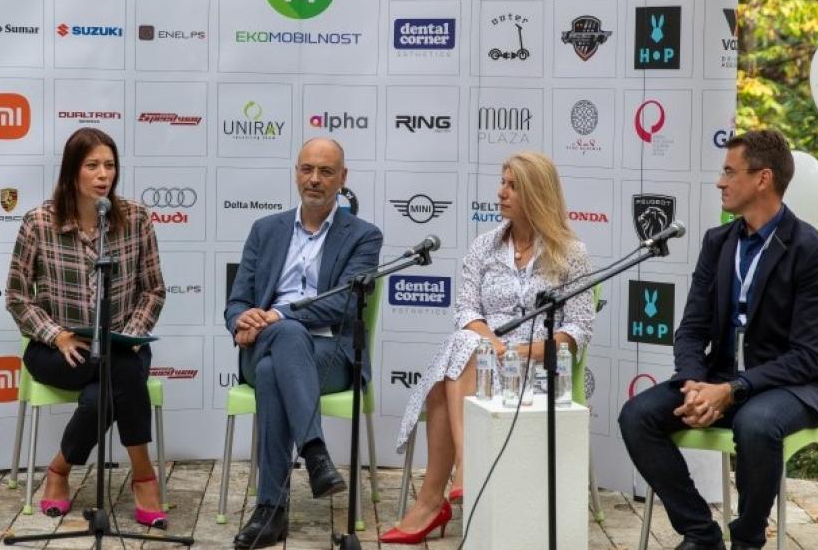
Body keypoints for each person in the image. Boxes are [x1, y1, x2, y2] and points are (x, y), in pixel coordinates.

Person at [618, 129, 818, 550]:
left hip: (789, 386)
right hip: (718, 378)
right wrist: (693, 382)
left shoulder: (813, 252)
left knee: (755, 423)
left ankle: (747, 540)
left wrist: (733, 390)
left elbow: (806, 357)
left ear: (763, 179)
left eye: (729, 172)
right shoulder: (718, 242)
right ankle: (701, 533)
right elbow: (691, 328)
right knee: (637, 415)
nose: (720, 182)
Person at [382, 152, 595, 544]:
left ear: (537, 193)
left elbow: (577, 329)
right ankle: (465, 465)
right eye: (503, 182)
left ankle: (433, 500)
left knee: (448, 380)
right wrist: (494, 346)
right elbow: (465, 310)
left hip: (538, 368)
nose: (501, 193)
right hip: (482, 358)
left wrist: (521, 351)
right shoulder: (484, 246)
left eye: (513, 186)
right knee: (467, 342)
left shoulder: (570, 252)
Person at [4, 127, 169, 528]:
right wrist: (56, 335)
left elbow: (153, 290)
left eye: (109, 165)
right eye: (92, 165)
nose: (103, 174)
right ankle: (144, 476)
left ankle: (59, 469)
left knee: (108, 385)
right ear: (71, 171)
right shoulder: (39, 222)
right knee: (123, 375)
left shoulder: (135, 219)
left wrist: (132, 333)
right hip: (59, 348)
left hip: (122, 344)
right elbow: (17, 297)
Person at [224, 138, 383, 549]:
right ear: (296, 172)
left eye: (325, 171)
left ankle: (270, 511)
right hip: (262, 341)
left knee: (271, 370)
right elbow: (237, 301)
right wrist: (242, 319)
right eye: (307, 169)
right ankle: (314, 453)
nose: (314, 179)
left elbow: (344, 303)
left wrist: (277, 315)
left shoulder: (364, 236)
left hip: (331, 354)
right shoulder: (265, 230)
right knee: (282, 344)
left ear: (342, 178)